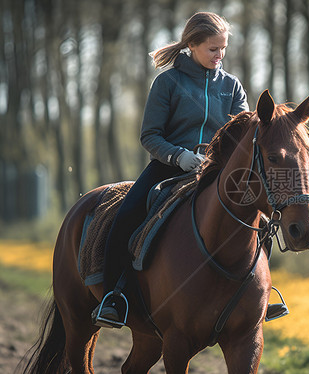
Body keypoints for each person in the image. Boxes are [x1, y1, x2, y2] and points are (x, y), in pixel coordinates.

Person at [92, 11, 249, 328]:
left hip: (217, 174)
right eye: (212, 49)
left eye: (223, 49)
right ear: (192, 45)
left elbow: (243, 134)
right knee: (127, 216)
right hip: (168, 169)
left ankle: (257, 292)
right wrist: (179, 157)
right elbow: (150, 136)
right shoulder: (167, 83)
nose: (220, 56)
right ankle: (113, 297)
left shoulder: (232, 87)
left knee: (255, 212)